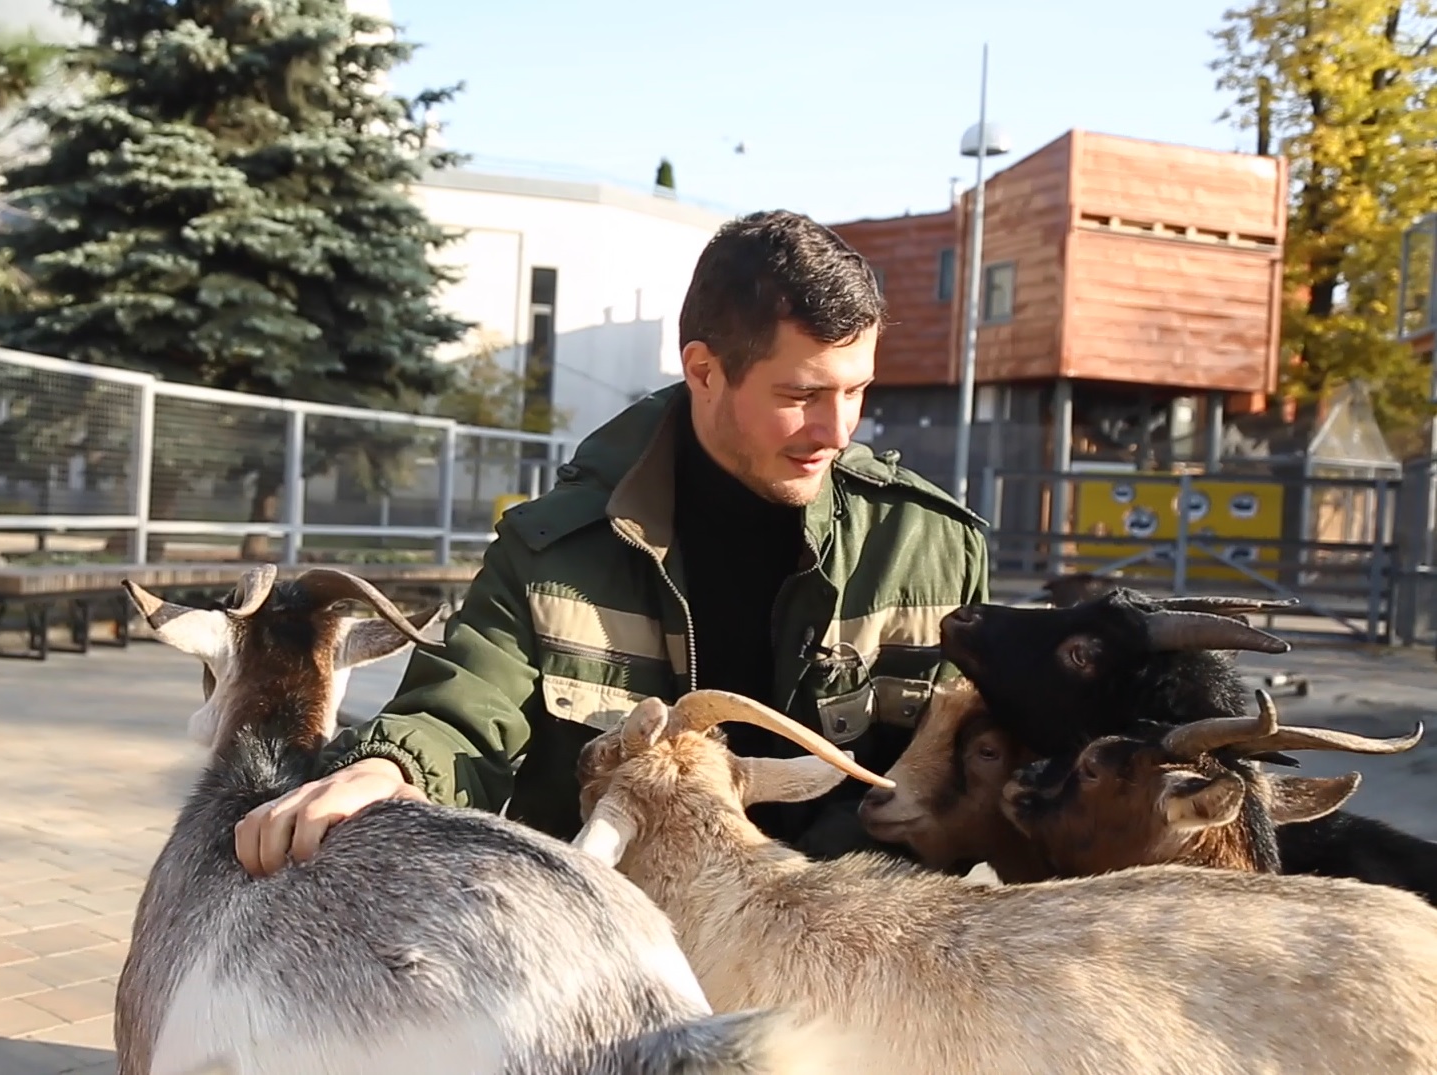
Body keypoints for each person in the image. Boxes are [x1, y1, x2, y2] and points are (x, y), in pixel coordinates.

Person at [234, 208, 991, 876]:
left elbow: (984, 783)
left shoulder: (932, 547)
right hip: (616, 968)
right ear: (703, 369)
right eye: (801, 396)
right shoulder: (553, 552)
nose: (837, 430)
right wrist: (385, 767)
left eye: (856, 390)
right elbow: (461, 708)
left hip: (854, 980)